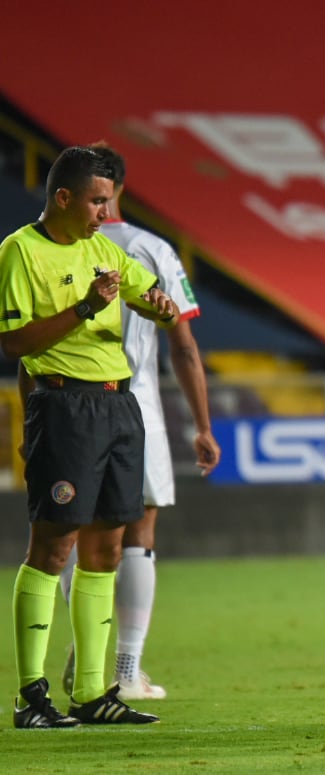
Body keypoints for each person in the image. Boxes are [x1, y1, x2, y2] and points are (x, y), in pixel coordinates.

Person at [2, 146, 179, 727]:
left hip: (117, 404)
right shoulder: (20, 252)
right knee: (53, 547)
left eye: (110, 200)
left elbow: (151, 298)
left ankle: (94, 692)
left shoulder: (103, 250)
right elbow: (15, 344)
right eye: (98, 201)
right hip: (62, 406)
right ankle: (31, 695)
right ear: (64, 197)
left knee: (106, 549)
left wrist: (156, 307)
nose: (107, 212)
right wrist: (83, 308)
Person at [58, 143, 221, 701]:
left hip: (68, 405)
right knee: (138, 535)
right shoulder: (152, 249)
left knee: (71, 533)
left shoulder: (57, 246)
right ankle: (126, 670)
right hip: (137, 406)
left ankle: (90, 657)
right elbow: (184, 344)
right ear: (120, 188)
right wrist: (202, 424)